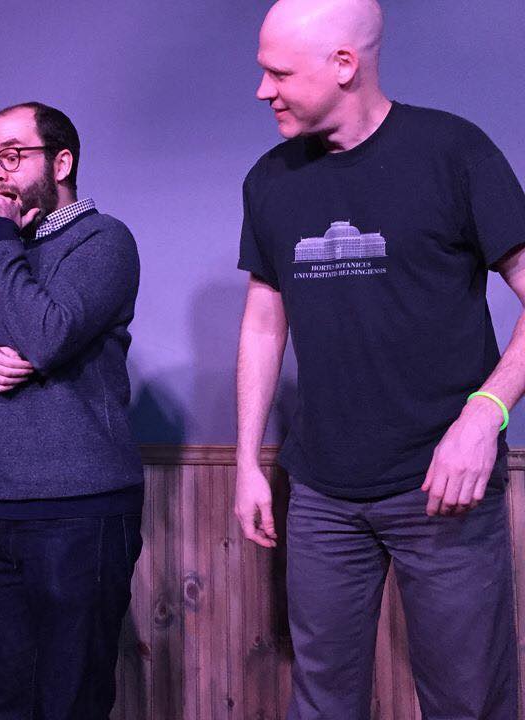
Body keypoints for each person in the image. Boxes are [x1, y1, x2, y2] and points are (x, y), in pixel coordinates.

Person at [234, 1, 525, 717]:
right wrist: (245, 461)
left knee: (467, 701)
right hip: (323, 495)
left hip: (443, 487)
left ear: (344, 66)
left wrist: (483, 416)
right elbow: (265, 324)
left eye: (277, 72)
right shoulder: (270, 178)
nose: (262, 90)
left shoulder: (454, 152)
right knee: (323, 701)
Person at [0, 102, 144, 720]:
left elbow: (50, 333)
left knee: (70, 697)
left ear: (62, 162)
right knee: (11, 698)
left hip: (83, 510)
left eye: (12, 155)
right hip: (4, 509)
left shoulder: (104, 240)